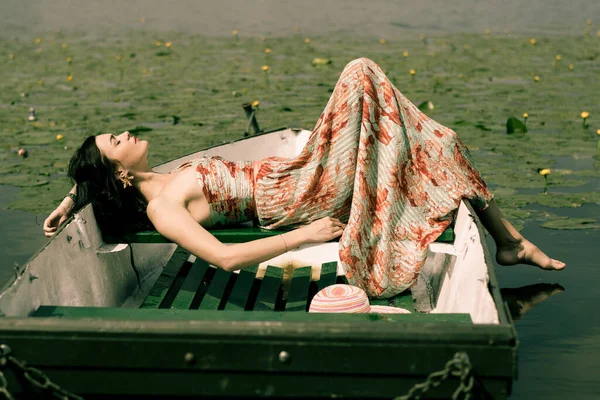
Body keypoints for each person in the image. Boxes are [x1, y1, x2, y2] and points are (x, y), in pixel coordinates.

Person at [43, 58, 565, 299]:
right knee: (360, 73)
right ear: (119, 170)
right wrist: (303, 237)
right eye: (116, 139)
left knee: (441, 144)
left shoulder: (157, 178)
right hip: (300, 194)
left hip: (298, 171)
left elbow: (96, 182)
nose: (125, 131)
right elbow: (223, 257)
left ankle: (509, 240)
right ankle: (509, 240)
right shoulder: (161, 209)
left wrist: (72, 200)